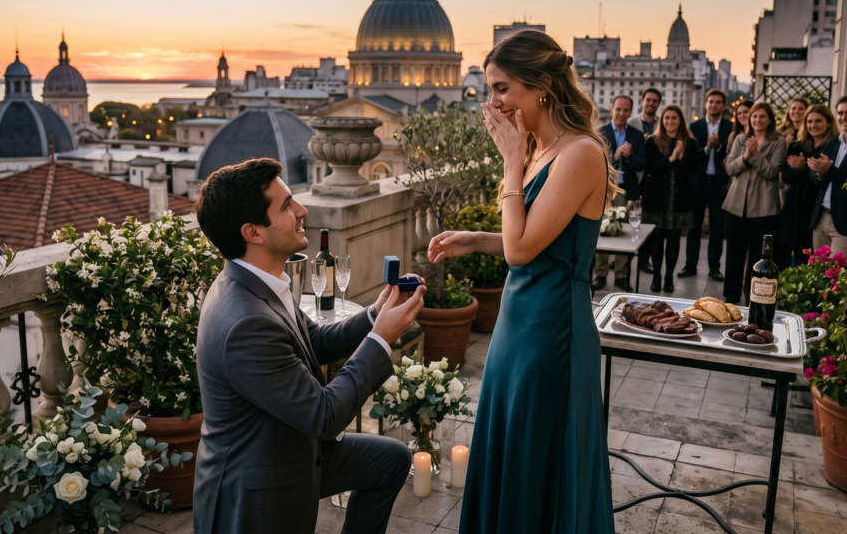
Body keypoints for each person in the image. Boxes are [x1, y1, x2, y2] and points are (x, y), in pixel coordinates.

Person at [428, 30, 616, 532]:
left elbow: (523, 249)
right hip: (516, 327)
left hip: (552, 332)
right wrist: (476, 237)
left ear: (543, 86)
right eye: (490, 89)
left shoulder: (580, 153)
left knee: (539, 459)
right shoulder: (540, 149)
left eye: (502, 88)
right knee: (512, 449)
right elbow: (530, 241)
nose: (493, 103)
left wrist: (511, 163)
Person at [193, 158, 425, 534]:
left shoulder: (264, 281)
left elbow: (314, 342)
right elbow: (324, 416)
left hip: (294, 447)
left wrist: (375, 314)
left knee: (391, 460)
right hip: (259, 486)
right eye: (286, 206)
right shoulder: (245, 323)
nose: (302, 211)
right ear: (253, 232)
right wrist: (381, 338)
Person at [722, 102, 787, 303]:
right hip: (736, 204)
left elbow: (771, 172)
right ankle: (731, 294)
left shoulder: (779, 142)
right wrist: (746, 155)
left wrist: (756, 155)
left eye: (762, 116)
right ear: (749, 119)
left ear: (769, 120)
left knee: (759, 256)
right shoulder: (741, 138)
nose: (757, 120)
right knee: (734, 250)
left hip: (764, 207)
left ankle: (755, 296)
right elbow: (730, 169)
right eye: (754, 116)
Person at [641, 104, 697, 293]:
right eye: (666, 118)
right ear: (661, 120)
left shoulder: (690, 142)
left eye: (674, 118)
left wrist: (681, 157)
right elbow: (650, 167)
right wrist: (671, 158)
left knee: (674, 240)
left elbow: (693, 169)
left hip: (679, 200)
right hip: (657, 199)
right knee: (656, 240)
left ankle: (669, 276)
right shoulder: (652, 141)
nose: (670, 121)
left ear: (680, 120)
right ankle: (656, 275)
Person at [680, 89, 733, 282]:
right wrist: (707, 148)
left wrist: (718, 147)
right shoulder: (695, 126)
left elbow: (731, 153)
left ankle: (714, 268)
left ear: (723, 106)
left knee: (717, 228)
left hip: (719, 183)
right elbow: (691, 155)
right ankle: (690, 265)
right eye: (711, 102)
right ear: (705, 103)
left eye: (718, 102)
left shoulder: (729, 127)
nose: (714, 105)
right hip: (698, 183)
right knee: (693, 226)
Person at [593, 95, 645, 290]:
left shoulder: (636, 135)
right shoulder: (601, 132)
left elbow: (642, 164)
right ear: (612, 109)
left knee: (626, 234)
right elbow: (598, 163)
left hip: (627, 190)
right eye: (618, 109)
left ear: (630, 112)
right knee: (603, 231)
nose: (622, 113)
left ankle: (622, 277)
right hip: (606, 190)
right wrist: (615, 157)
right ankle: (601, 275)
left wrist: (630, 156)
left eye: (625, 110)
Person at [776, 104, 838, 268]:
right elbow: (786, 177)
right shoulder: (797, 145)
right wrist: (797, 170)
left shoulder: (832, 147)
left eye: (818, 121)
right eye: (809, 121)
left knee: (808, 259)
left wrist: (804, 168)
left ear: (829, 123)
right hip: (794, 207)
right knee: (782, 256)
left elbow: (823, 180)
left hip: (814, 211)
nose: (813, 125)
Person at [628, 88, 663, 273]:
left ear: (658, 104)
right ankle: (624, 259)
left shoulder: (662, 124)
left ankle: (644, 260)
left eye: (654, 101)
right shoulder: (631, 123)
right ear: (641, 101)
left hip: (654, 179)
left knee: (648, 222)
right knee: (632, 218)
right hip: (636, 177)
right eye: (648, 100)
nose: (650, 103)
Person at [808, 97, 847, 255]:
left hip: (843, 222)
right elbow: (812, 176)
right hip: (821, 218)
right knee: (818, 273)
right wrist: (819, 173)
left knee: (838, 276)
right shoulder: (831, 143)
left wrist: (828, 170)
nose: (843, 117)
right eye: (840, 113)